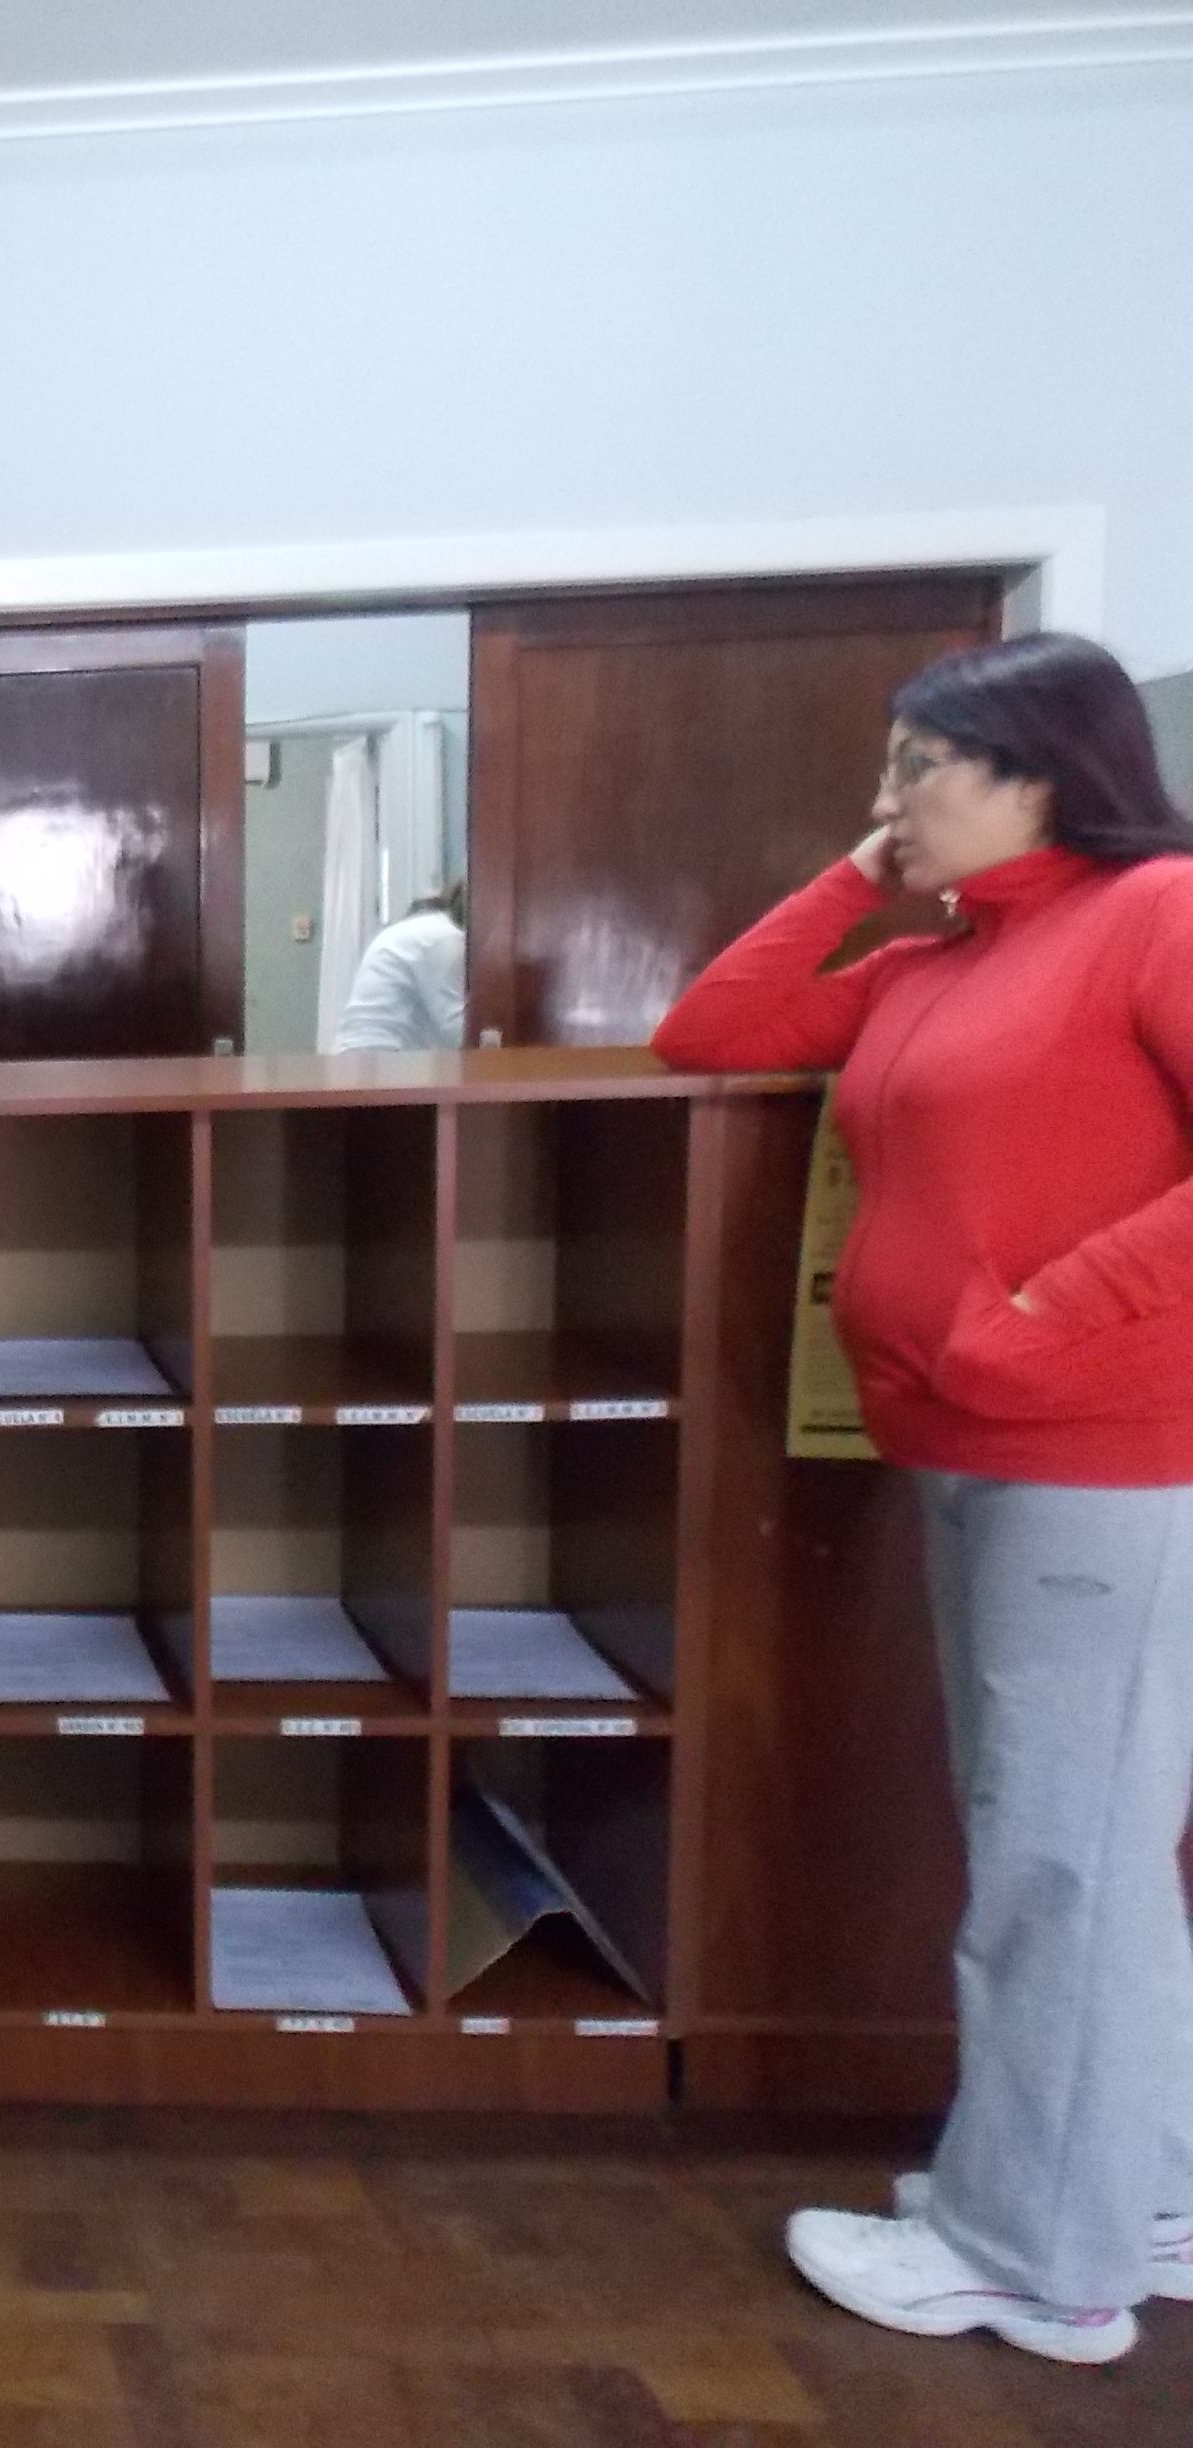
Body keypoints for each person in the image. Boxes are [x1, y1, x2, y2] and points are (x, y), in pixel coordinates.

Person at [653, 630, 1193, 2367]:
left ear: (1042, 773)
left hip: (1090, 1450)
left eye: (918, 767)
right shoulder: (940, 959)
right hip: (970, 1440)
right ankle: (1137, 2187)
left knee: (1058, 1858)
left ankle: (1033, 2259)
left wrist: (1046, 1310)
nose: (887, 797)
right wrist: (854, 875)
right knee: (1078, 1843)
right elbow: (705, 1031)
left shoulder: (1157, 912)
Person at [329, 878, 467, 1052]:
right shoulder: (443, 938)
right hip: (385, 1052)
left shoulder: (420, 929)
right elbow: (457, 1028)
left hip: (359, 1051)